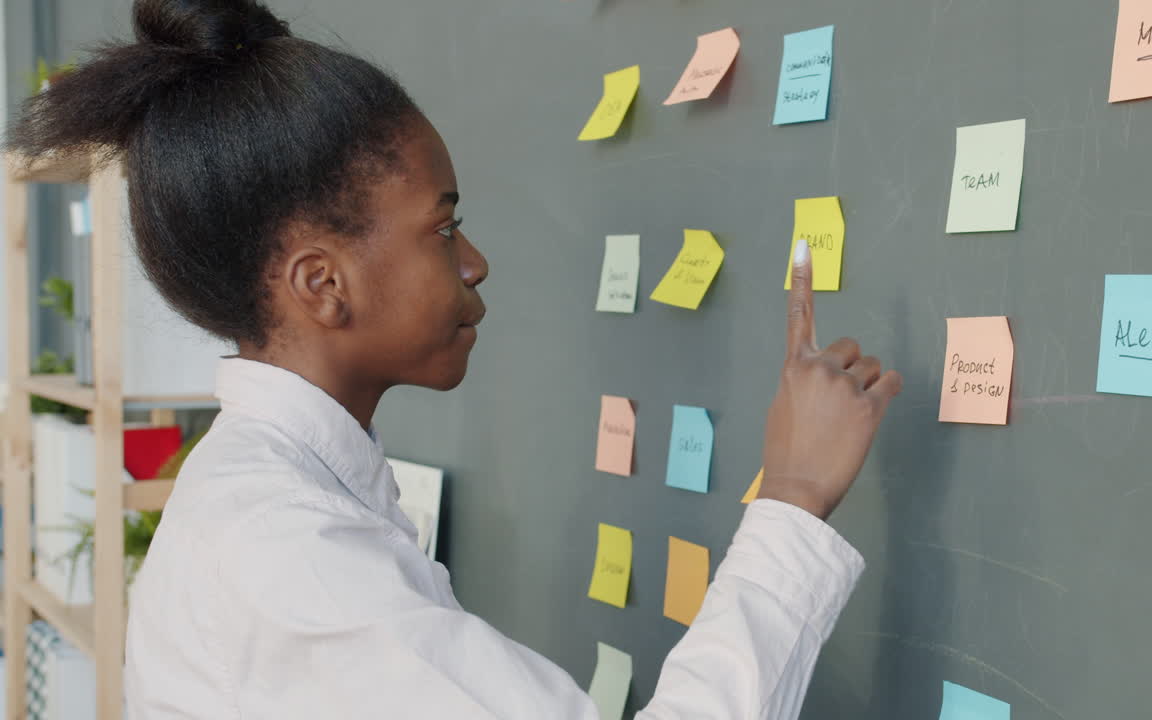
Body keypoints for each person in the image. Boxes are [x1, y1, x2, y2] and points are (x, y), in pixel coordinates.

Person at [7, 1, 902, 717]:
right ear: (322, 285)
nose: (473, 261)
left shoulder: (279, 495)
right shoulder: (287, 555)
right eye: (443, 225)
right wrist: (792, 496)